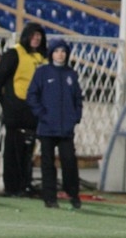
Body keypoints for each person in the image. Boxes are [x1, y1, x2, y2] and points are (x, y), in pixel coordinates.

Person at [0, 22, 47, 197]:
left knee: (28, 150)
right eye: (33, 35)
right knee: (13, 148)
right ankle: (12, 186)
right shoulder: (14, 54)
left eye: (39, 36)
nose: (36, 39)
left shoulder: (43, 58)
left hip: (34, 110)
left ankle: (25, 185)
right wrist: (7, 102)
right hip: (16, 109)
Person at [26, 38, 83, 209]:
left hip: (66, 128)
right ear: (51, 54)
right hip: (47, 127)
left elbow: (78, 98)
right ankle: (49, 197)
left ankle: (73, 194)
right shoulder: (42, 72)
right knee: (47, 163)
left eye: (63, 51)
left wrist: (75, 117)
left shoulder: (71, 74)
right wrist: (41, 114)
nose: (60, 54)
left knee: (69, 161)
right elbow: (32, 95)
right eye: (57, 51)